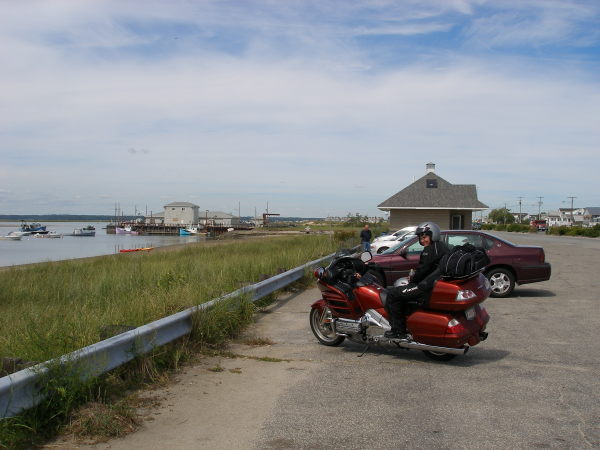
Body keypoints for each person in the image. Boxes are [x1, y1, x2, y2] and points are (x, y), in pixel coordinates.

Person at [384, 221, 448, 339]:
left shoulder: (429, 250)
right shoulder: (441, 247)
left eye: (425, 237)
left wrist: (412, 278)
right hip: (435, 283)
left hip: (426, 287)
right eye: (420, 238)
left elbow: (421, 271)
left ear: (433, 235)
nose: (422, 240)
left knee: (393, 294)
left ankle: (398, 331)